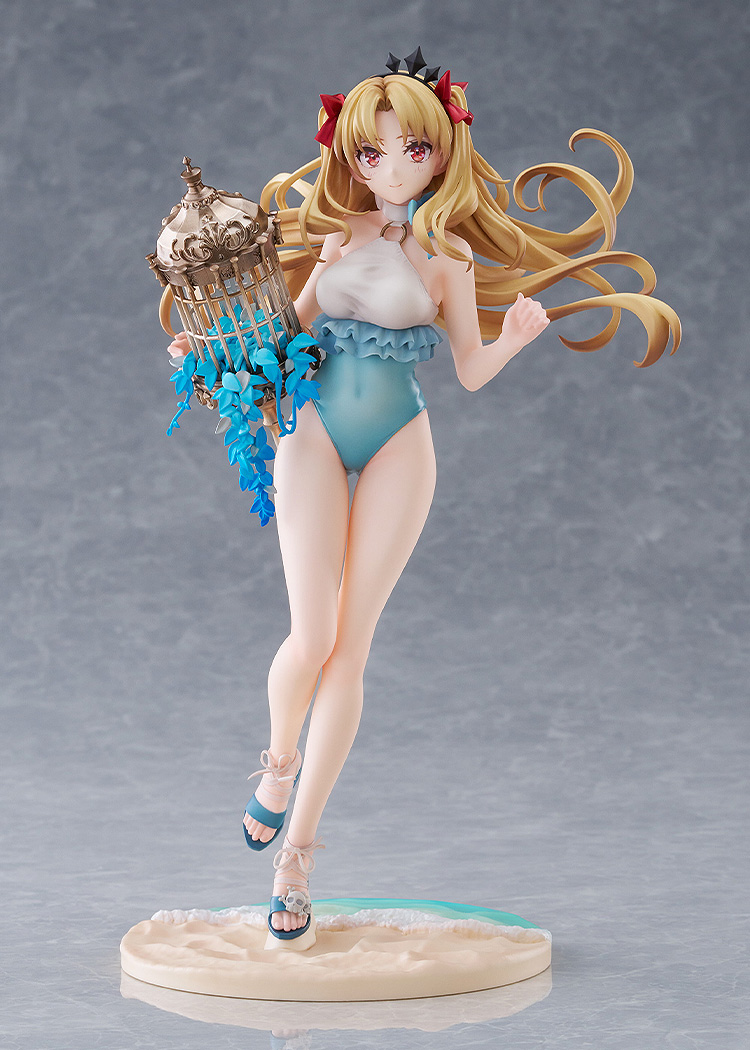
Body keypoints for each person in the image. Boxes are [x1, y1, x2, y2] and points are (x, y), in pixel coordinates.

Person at [169, 50, 679, 949]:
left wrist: (516, 336)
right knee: (311, 637)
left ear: (442, 151)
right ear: (350, 157)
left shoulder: (450, 258)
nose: (393, 167)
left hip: (400, 440)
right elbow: (279, 337)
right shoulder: (337, 240)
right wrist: (209, 354)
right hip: (313, 431)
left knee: (351, 650)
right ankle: (277, 764)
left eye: (412, 149)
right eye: (372, 152)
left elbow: (471, 370)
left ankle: (299, 858)